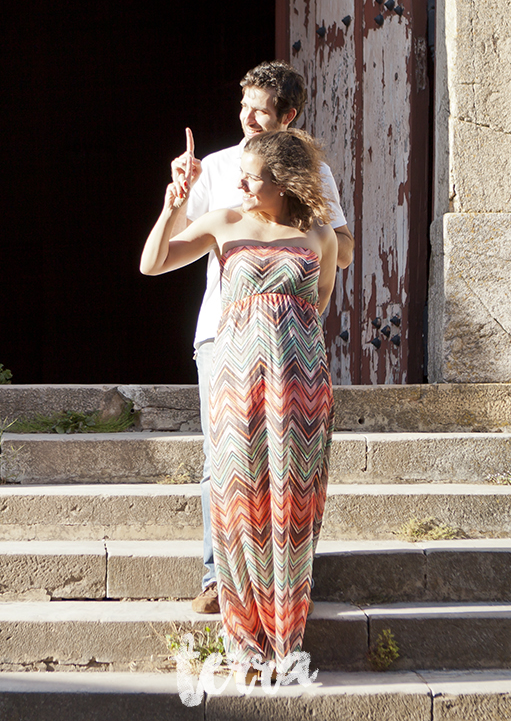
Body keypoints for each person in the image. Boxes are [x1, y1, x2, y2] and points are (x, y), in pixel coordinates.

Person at [141, 128, 337, 676]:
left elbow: (314, 310)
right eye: (242, 173)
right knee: (239, 499)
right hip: (236, 381)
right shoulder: (225, 224)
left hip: (301, 387)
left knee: (293, 503)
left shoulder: (318, 235)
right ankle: (246, 636)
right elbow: (152, 264)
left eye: (254, 176)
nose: (241, 182)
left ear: (286, 182)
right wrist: (172, 205)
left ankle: (287, 637)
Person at [165, 61, 352, 614]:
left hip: (287, 342)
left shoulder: (313, 174)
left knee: (291, 461)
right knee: (221, 459)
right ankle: (216, 578)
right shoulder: (217, 167)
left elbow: (338, 246)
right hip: (221, 334)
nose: (245, 117)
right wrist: (175, 194)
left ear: (288, 117)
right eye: (242, 105)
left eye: (259, 110)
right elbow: (172, 246)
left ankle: (286, 581)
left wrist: (296, 234)